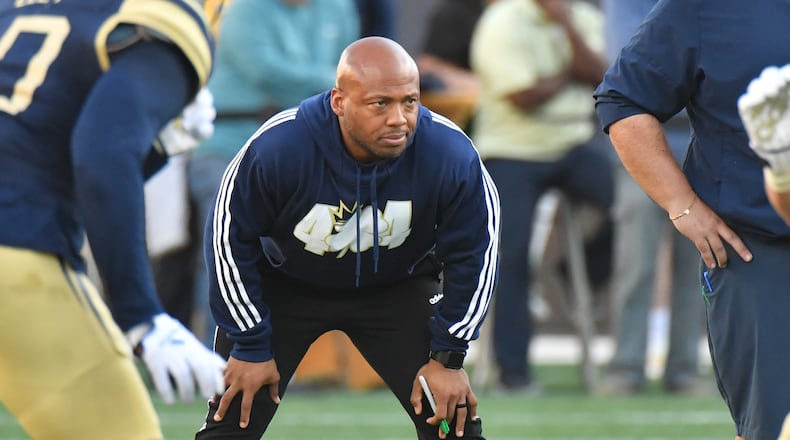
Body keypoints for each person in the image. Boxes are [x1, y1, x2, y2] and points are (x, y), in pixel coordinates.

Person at [194, 36, 498, 439]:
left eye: (409, 101)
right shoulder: (281, 146)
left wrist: (448, 357)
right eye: (380, 104)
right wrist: (250, 343)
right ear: (339, 102)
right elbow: (228, 236)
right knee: (234, 420)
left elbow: (476, 251)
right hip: (287, 286)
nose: (399, 119)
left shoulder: (449, 153)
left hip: (396, 287)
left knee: (453, 424)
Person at [0, 0, 227, 439]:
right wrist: (141, 316)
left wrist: (156, 147)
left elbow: (46, 149)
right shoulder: (158, 17)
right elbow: (100, 156)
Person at [593, 0, 790, 438]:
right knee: (772, 428)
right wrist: (683, 205)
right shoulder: (704, 7)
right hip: (763, 252)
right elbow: (623, 100)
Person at [187, 0, 360, 346]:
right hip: (230, 148)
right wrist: (351, 84)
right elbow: (268, 72)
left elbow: (354, 62)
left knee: (294, 259)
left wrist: (352, 83)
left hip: (299, 155)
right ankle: (219, 359)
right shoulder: (246, 9)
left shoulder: (339, 7)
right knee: (228, 255)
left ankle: (277, 358)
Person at [469, 0, 614, 392]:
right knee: (511, 255)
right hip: (510, 149)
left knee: (631, 200)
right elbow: (522, 96)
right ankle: (513, 373)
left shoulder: (583, 16)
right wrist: (569, 73)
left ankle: (566, 272)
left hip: (572, 143)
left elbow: (603, 77)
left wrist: (564, 24)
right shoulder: (501, 20)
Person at [597, 0, 705, 396]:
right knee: (635, 262)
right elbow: (632, 61)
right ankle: (626, 367)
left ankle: (685, 369)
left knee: (699, 259)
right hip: (638, 144)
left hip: (698, 143)